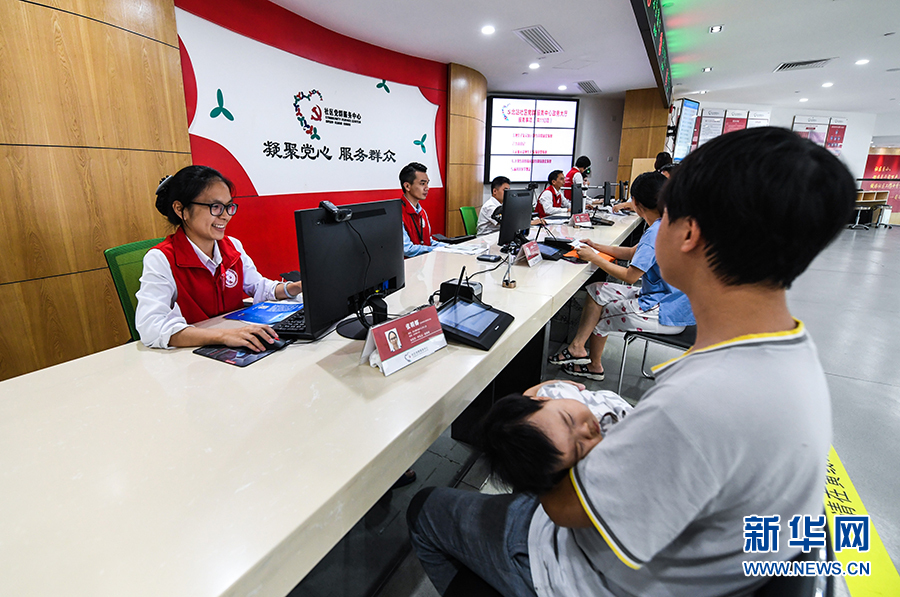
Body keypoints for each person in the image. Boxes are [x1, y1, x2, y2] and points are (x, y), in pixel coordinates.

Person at [407, 126, 856, 597]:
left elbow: (565, 509)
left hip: (585, 569)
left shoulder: (700, 403)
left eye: (666, 215)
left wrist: (532, 435)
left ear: (689, 233)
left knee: (428, 510)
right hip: (681, 562)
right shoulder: (789, 353)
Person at [135, 165, 302, 351]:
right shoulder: (161, 258)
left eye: (228, 206)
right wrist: (223, 335)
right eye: (215, 207)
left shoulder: (232, 247)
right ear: (181, 209)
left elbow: (258, 286)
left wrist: (295, 287)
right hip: (190, 355)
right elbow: (151, 327)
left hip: (234, 345)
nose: (225, 216)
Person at [549, 171, 694, 381]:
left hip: (665, 312)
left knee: (604, 314)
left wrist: (594, 258)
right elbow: (632, 252)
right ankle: (577, 347)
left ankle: (594, 367)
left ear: (636, 203)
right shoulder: (666, 224)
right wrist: (596, 246)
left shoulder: (656, 232)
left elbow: (630, 276)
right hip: (668, 301)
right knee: (597, 290)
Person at [480, 380, 632, 495]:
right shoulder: (610, 460)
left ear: (542, 399)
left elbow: (535, 395)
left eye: (569, 419)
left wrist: (536, 390)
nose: (586, 430)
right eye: (579, 448)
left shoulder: (554, 393)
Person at [400, 162, 447, 258]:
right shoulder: (397, 213)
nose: (427, 188)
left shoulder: (422, 212)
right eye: (422, 184)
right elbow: (407, 249)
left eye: (427, 183)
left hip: (423, 263)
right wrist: (436, 249)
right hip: (408, 265)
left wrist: (449, 247)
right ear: (407, 186)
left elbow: (428, 241)